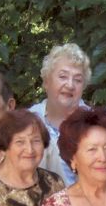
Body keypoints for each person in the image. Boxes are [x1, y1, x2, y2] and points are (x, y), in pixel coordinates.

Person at [28, 43, 91, 184]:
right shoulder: (28, 120)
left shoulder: (95, 123)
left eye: (78, 80)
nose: (70, 85)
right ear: (46, 82)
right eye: (63, 77)